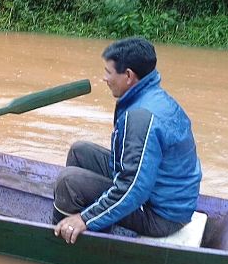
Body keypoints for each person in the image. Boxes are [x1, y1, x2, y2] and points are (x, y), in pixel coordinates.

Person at [53, 37, 201, 244]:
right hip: (160, 194)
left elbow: (134, 188)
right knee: (80, 151)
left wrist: (85, 219)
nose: (104, 78)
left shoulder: (140, 117)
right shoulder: (152, 96)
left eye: (109, 72)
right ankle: (97, 229)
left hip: (161, 216)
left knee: (68, 182)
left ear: (129, 76)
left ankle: (62, 242)